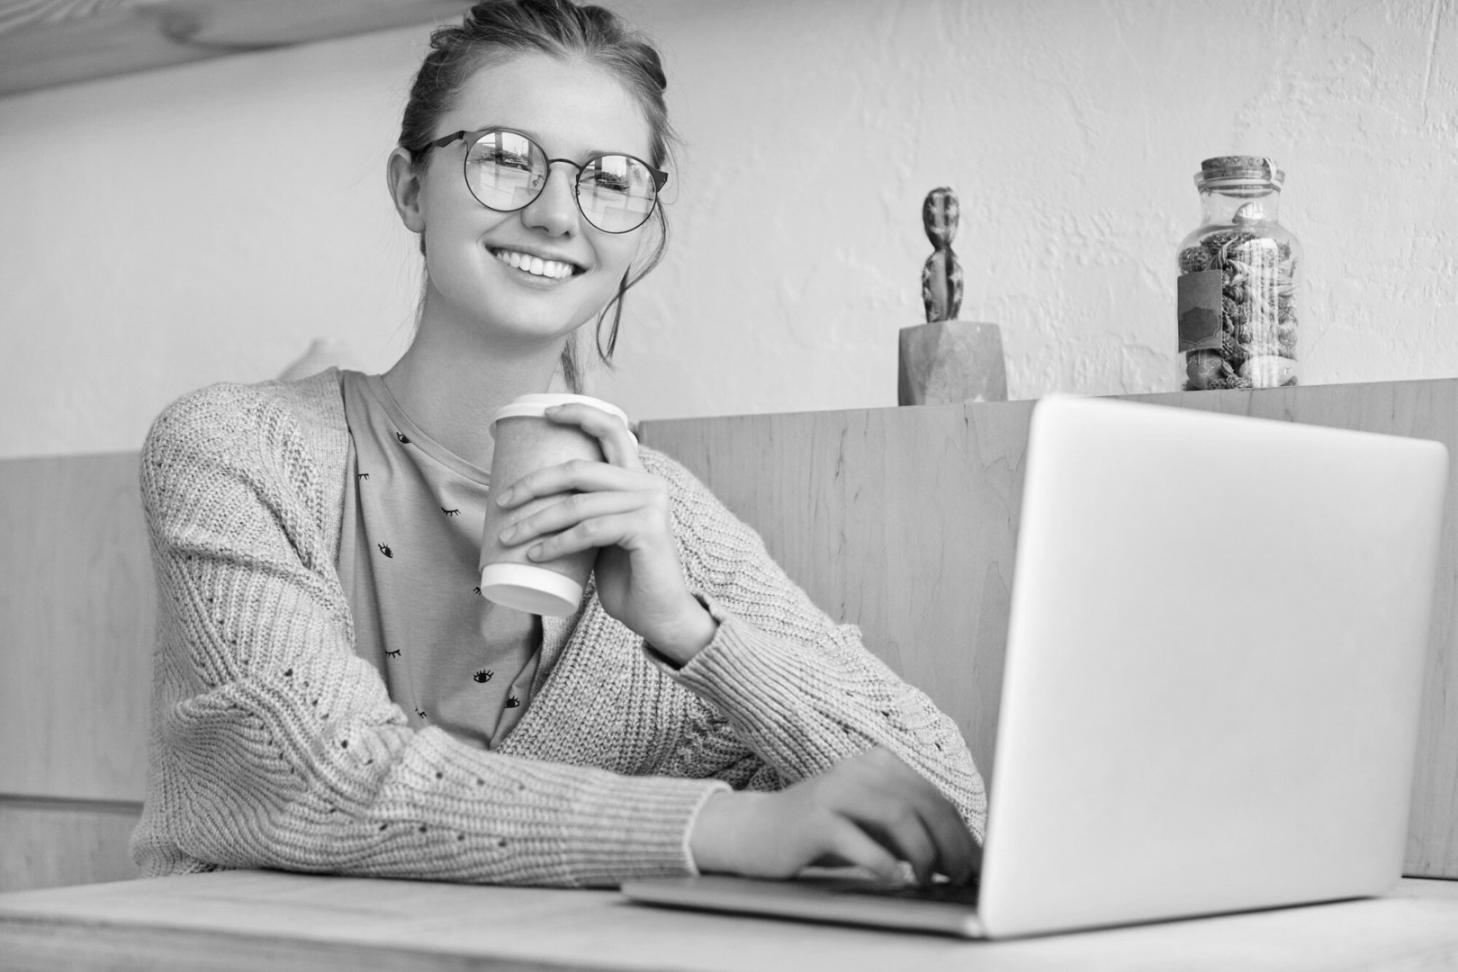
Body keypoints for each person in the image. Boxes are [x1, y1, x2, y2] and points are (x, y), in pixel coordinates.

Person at [132, 0, 987, 889]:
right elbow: (316, 777)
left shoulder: (660, 521)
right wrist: (721, 826)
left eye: (610, 179)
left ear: (644, 230)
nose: (554, 212)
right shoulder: (231, 449)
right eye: (504, 159)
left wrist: (689, 631)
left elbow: (948, 804)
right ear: (411, 186)